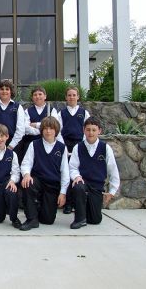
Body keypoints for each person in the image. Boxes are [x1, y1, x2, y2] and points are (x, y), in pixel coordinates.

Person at [69, 117, 120, 229]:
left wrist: (112, 191)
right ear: (83, 130)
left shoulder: (105, 148)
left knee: (95, 220)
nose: (90, 133)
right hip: (83, 183)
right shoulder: (78, 147)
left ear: (99, 131)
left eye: (93, 130)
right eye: (88, 130)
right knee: (78, 187)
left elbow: (113, 170)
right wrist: (77, 176)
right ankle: (80, 219)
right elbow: (72, 167)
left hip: (97, 187)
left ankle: (86, 210)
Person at [20, 116, 69, 231]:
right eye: (45, 128)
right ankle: (31, 219)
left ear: (56, 130)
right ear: (41, 130)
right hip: (37, 181)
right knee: (28, 184)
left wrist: (63, 193)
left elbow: (65, 172)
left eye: (51, 128)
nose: (48, 131)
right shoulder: (34, 144)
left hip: (52, 185)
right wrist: (26, 174)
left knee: (47, 220)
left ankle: (39, 208)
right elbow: (26, 163)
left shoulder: (61, 148)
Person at [57, 86, 90, 214]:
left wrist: (80, 145)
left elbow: (87, 130)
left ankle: (78, 203)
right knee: (66, 173)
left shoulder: (84, 113)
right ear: (66, 97)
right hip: (65, 145)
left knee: (77, 175)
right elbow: (58, 131)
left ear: (78, 97)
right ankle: (68, 204)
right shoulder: (62, 113)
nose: (71, 97)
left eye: (74, 95)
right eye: (69, 95)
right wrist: (63, 146)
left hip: (79, 145)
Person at [0, 79, 26, 163]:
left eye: (7, 89)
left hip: (14, 144)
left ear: (11, 91)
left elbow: (20, 129)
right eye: (2, 89)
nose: (4, 91)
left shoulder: (18, 107)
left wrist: (11, 146)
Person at [22, 85, 60, 159]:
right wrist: (44, 129)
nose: (37, 96)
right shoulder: (27, 111)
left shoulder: (52, 110)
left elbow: (55, 125)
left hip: (47, 143)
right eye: (35, 95)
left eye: (40, 94)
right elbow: (26, 128)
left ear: (45, 96)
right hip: (30, 143)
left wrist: (36, 124)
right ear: (32, 97)